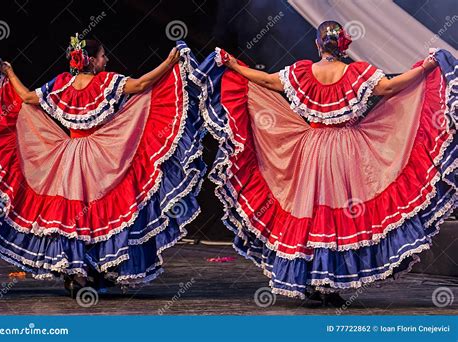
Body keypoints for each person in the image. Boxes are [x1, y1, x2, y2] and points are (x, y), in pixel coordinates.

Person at [192, 20, 457, 306]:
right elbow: (391, 87)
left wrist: (233, 66)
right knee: (340, 217)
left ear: (318, 44)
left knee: (311, 212)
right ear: (344, 45)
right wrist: (426, 68)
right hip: (347, 149)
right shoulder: (356, 72)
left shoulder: (303, 72)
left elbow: (267, 81)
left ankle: (311, 280)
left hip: (313, 149)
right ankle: (330, 283)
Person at [0, 35, 205, 298]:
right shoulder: (106, 81)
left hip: (69, 157)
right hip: (102, 156)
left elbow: (27, 97)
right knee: (104, 212)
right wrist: (169, 63)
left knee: (72, 216)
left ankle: (76, 271)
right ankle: (101, 267)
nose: (107, 59)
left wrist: (9, 72)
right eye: (103, 55)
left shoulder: (63, 82)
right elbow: (144, 83)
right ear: (91, 61)